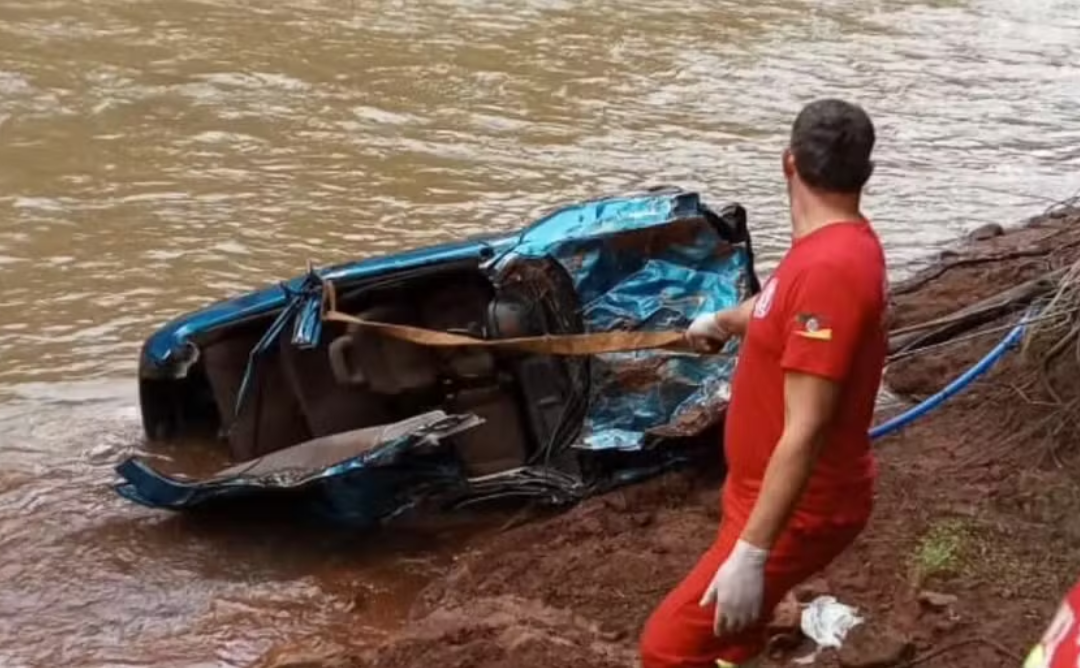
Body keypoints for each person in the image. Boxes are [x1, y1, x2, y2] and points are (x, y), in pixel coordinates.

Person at [639, 98, 888, 668]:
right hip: (761, 494)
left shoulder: (831, 269)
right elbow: (780, 307)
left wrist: (752, 554)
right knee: (731, 636)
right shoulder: (829, 247)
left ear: (788, 164)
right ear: (864, 175)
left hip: (799, 507)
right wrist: (722, 321)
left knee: (667, 648)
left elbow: (807, 426)